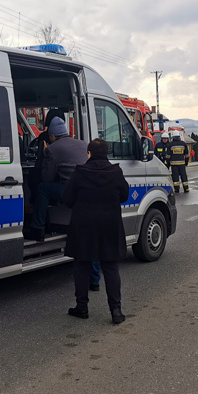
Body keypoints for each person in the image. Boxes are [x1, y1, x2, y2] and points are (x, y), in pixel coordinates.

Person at [63, 138, 129, 324]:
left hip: (84, 226)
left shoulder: (79, 172)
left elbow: (67, 198)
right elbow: (124, 195)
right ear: (106, 153)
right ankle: (116, 310)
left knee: (82, 265)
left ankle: (82, 307)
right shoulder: (116, 172)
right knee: (110, 266)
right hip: (110, 225)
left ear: (89, 153)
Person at [24, 116, 88, 242]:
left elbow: (46, 177)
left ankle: (37, 229)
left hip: (71, 190)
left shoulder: (52, 149)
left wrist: (45, 154)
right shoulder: (83, 144)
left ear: (52, 136)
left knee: (43, 188)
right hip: (86, 189)